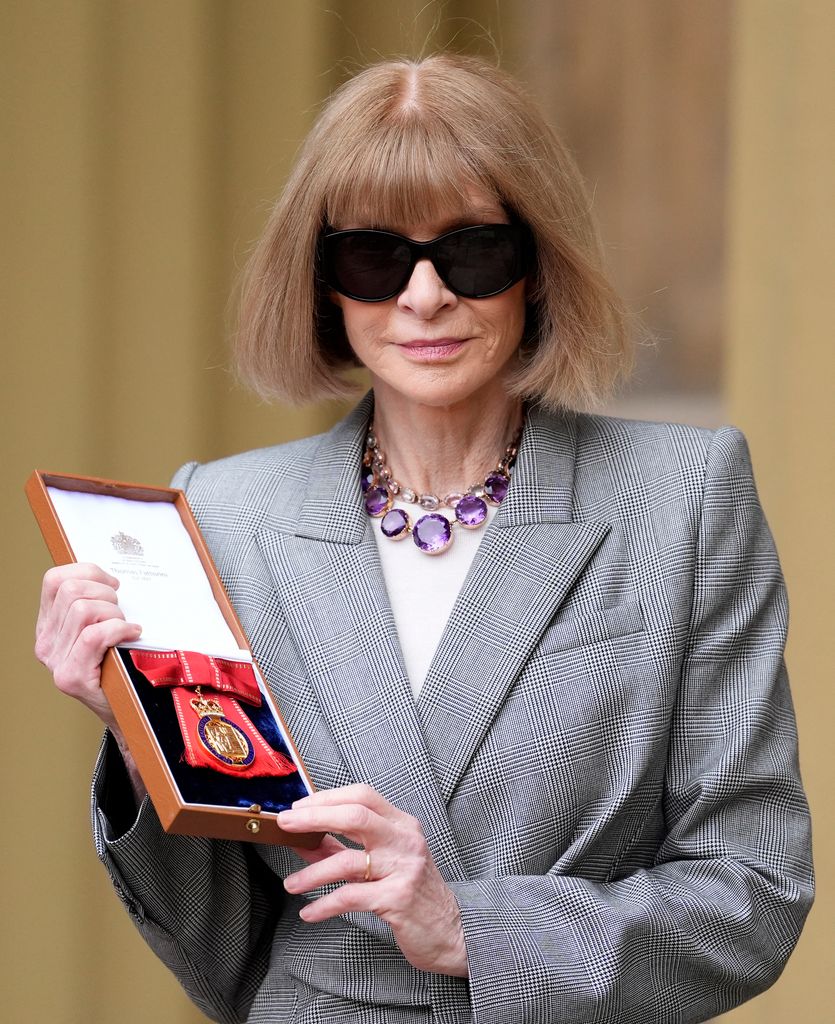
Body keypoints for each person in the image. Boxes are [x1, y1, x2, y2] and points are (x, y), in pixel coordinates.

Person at [34, 54, 813, 1023]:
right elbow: (228, 950)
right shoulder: (222, 517)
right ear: (324, 283)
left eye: (472, 251)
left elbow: (753, 889)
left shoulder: (683, 502)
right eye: (374, 255)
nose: (424, 295)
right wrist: (135, 726)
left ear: (535, 263)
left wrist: (470, 930)